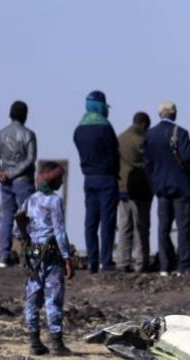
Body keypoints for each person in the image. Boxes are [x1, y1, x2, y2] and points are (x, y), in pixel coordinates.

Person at [16, 162, 73, 356]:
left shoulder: (30, 200)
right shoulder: (55, 201)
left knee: (32, 299)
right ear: (52, 179)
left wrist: (29, 238)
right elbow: (59, 231)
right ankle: (56, 344)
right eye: (59, 179)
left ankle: (34, 342)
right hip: (51, 257)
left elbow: (17, 228)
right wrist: (67, 258)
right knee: (53, 299)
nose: (61, 182)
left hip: (32, 258)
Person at [143, 101, 190, 277]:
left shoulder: (150, 135)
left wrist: (155, 184)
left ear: (159, 114)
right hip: (181, 187)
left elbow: (147, 164)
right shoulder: (181, 133)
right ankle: (184, 266)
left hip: (161, 188)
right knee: (184, 228)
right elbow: (188, 158)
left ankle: (165, 266)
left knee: (163, 228)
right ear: (174, 114)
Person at [73, 90, 120, 273]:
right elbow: (114, 154)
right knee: (107, 222)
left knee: (90, 222)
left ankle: (92, 262)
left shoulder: (79, 129)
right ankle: (106, 261)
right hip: (106, 178)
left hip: (88, 179)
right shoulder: (105, 128)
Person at [0, 100, 37, 267]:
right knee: (27, 218)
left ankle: (4, 256)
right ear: (25, 115)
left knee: (7, 217)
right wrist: (11, 174)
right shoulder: (29, 135)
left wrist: (0, 174)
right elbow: (30, 159)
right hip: (23, 182)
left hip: (5, 183)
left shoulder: (0, 134)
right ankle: (28, 256)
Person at [116, 112, 152, 273]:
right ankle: (140, 262)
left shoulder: (120, 138)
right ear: (144, 124)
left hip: (123, 188)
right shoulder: (143, 140)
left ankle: (122, 261)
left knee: (124, 226)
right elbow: (149, 163)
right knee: (141, 226)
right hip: (141, 189)